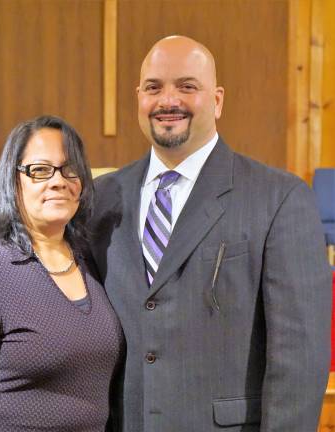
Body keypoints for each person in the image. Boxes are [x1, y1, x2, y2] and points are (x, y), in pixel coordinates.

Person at [90, 36, 332, 431]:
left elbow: (300, 360)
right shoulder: (102, 199)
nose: (168, 100)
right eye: (153, 87)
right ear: (138, 97)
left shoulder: (280, 199)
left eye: (187, 86)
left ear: (217, 100)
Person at [0, 115, 124, 431]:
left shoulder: (93, 260)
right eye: (40, 170)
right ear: (13, 179)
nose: (58, 181)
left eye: (70, 169)